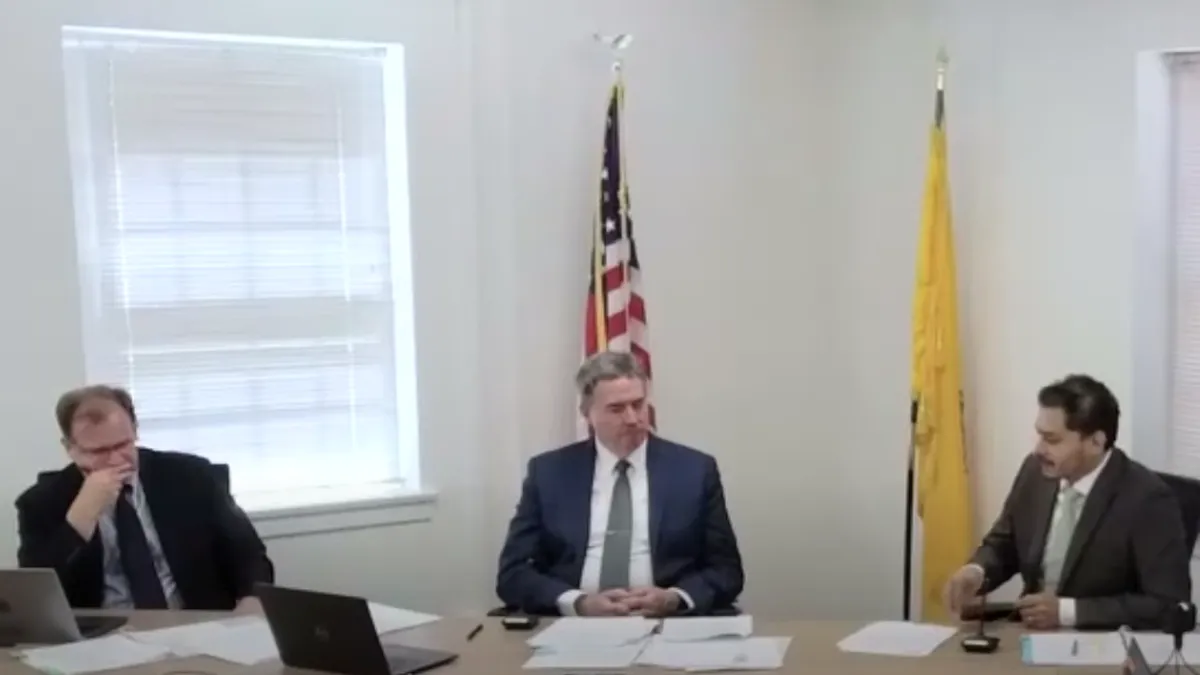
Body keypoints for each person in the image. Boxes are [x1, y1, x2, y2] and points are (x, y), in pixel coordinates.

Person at [495, 351, 744, 616]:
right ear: (586, 412)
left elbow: (727, 571)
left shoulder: (694, 470)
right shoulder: (548, 473)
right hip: (573, 625)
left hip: (668, 624)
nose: (632, 419)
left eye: (638, 404)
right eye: (616, 409)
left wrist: (675, 598)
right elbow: (513, 573)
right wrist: (578, 602)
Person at [942, 374, 1190, 630]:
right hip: (1026, 637)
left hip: (1097, 647)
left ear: (1096, 442)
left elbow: (1169, 603)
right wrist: (977, 571)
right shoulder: (1035, 472)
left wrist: (1067, 612)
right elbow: (1004, 543)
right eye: (1040, 436)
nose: (1038, 449)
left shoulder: (1147, 499)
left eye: (1052, 440)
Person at [15, 385, 273, 611]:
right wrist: (80, 519)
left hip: (192, 621)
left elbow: (248, 551)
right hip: (102, 635)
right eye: (99, 451)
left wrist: (251, 600)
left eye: (123, 445)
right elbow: (36, 594)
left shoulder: (192, 477)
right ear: (70, 448)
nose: (116, 459)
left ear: (135, 430)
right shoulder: (41, 502)